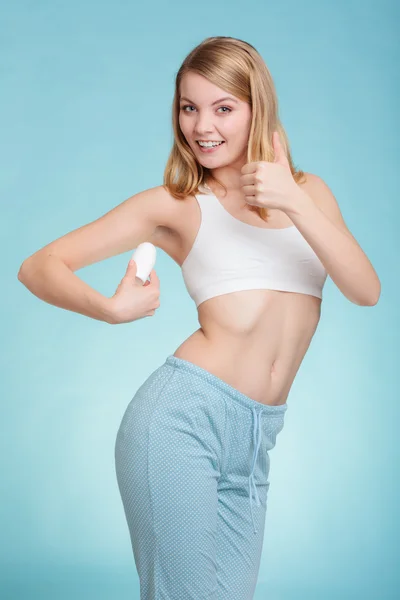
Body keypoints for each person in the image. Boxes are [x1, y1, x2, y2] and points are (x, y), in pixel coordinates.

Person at [18, 36, 381, 600]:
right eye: (189, 107)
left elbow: (366, 290)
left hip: (258, 438)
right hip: (180, 422)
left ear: (257, 108)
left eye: (223, 107)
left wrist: (293, 200)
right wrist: (112, 310)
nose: (201, 125)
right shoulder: (177, 204)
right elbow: (38, 266)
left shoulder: (311, 194)